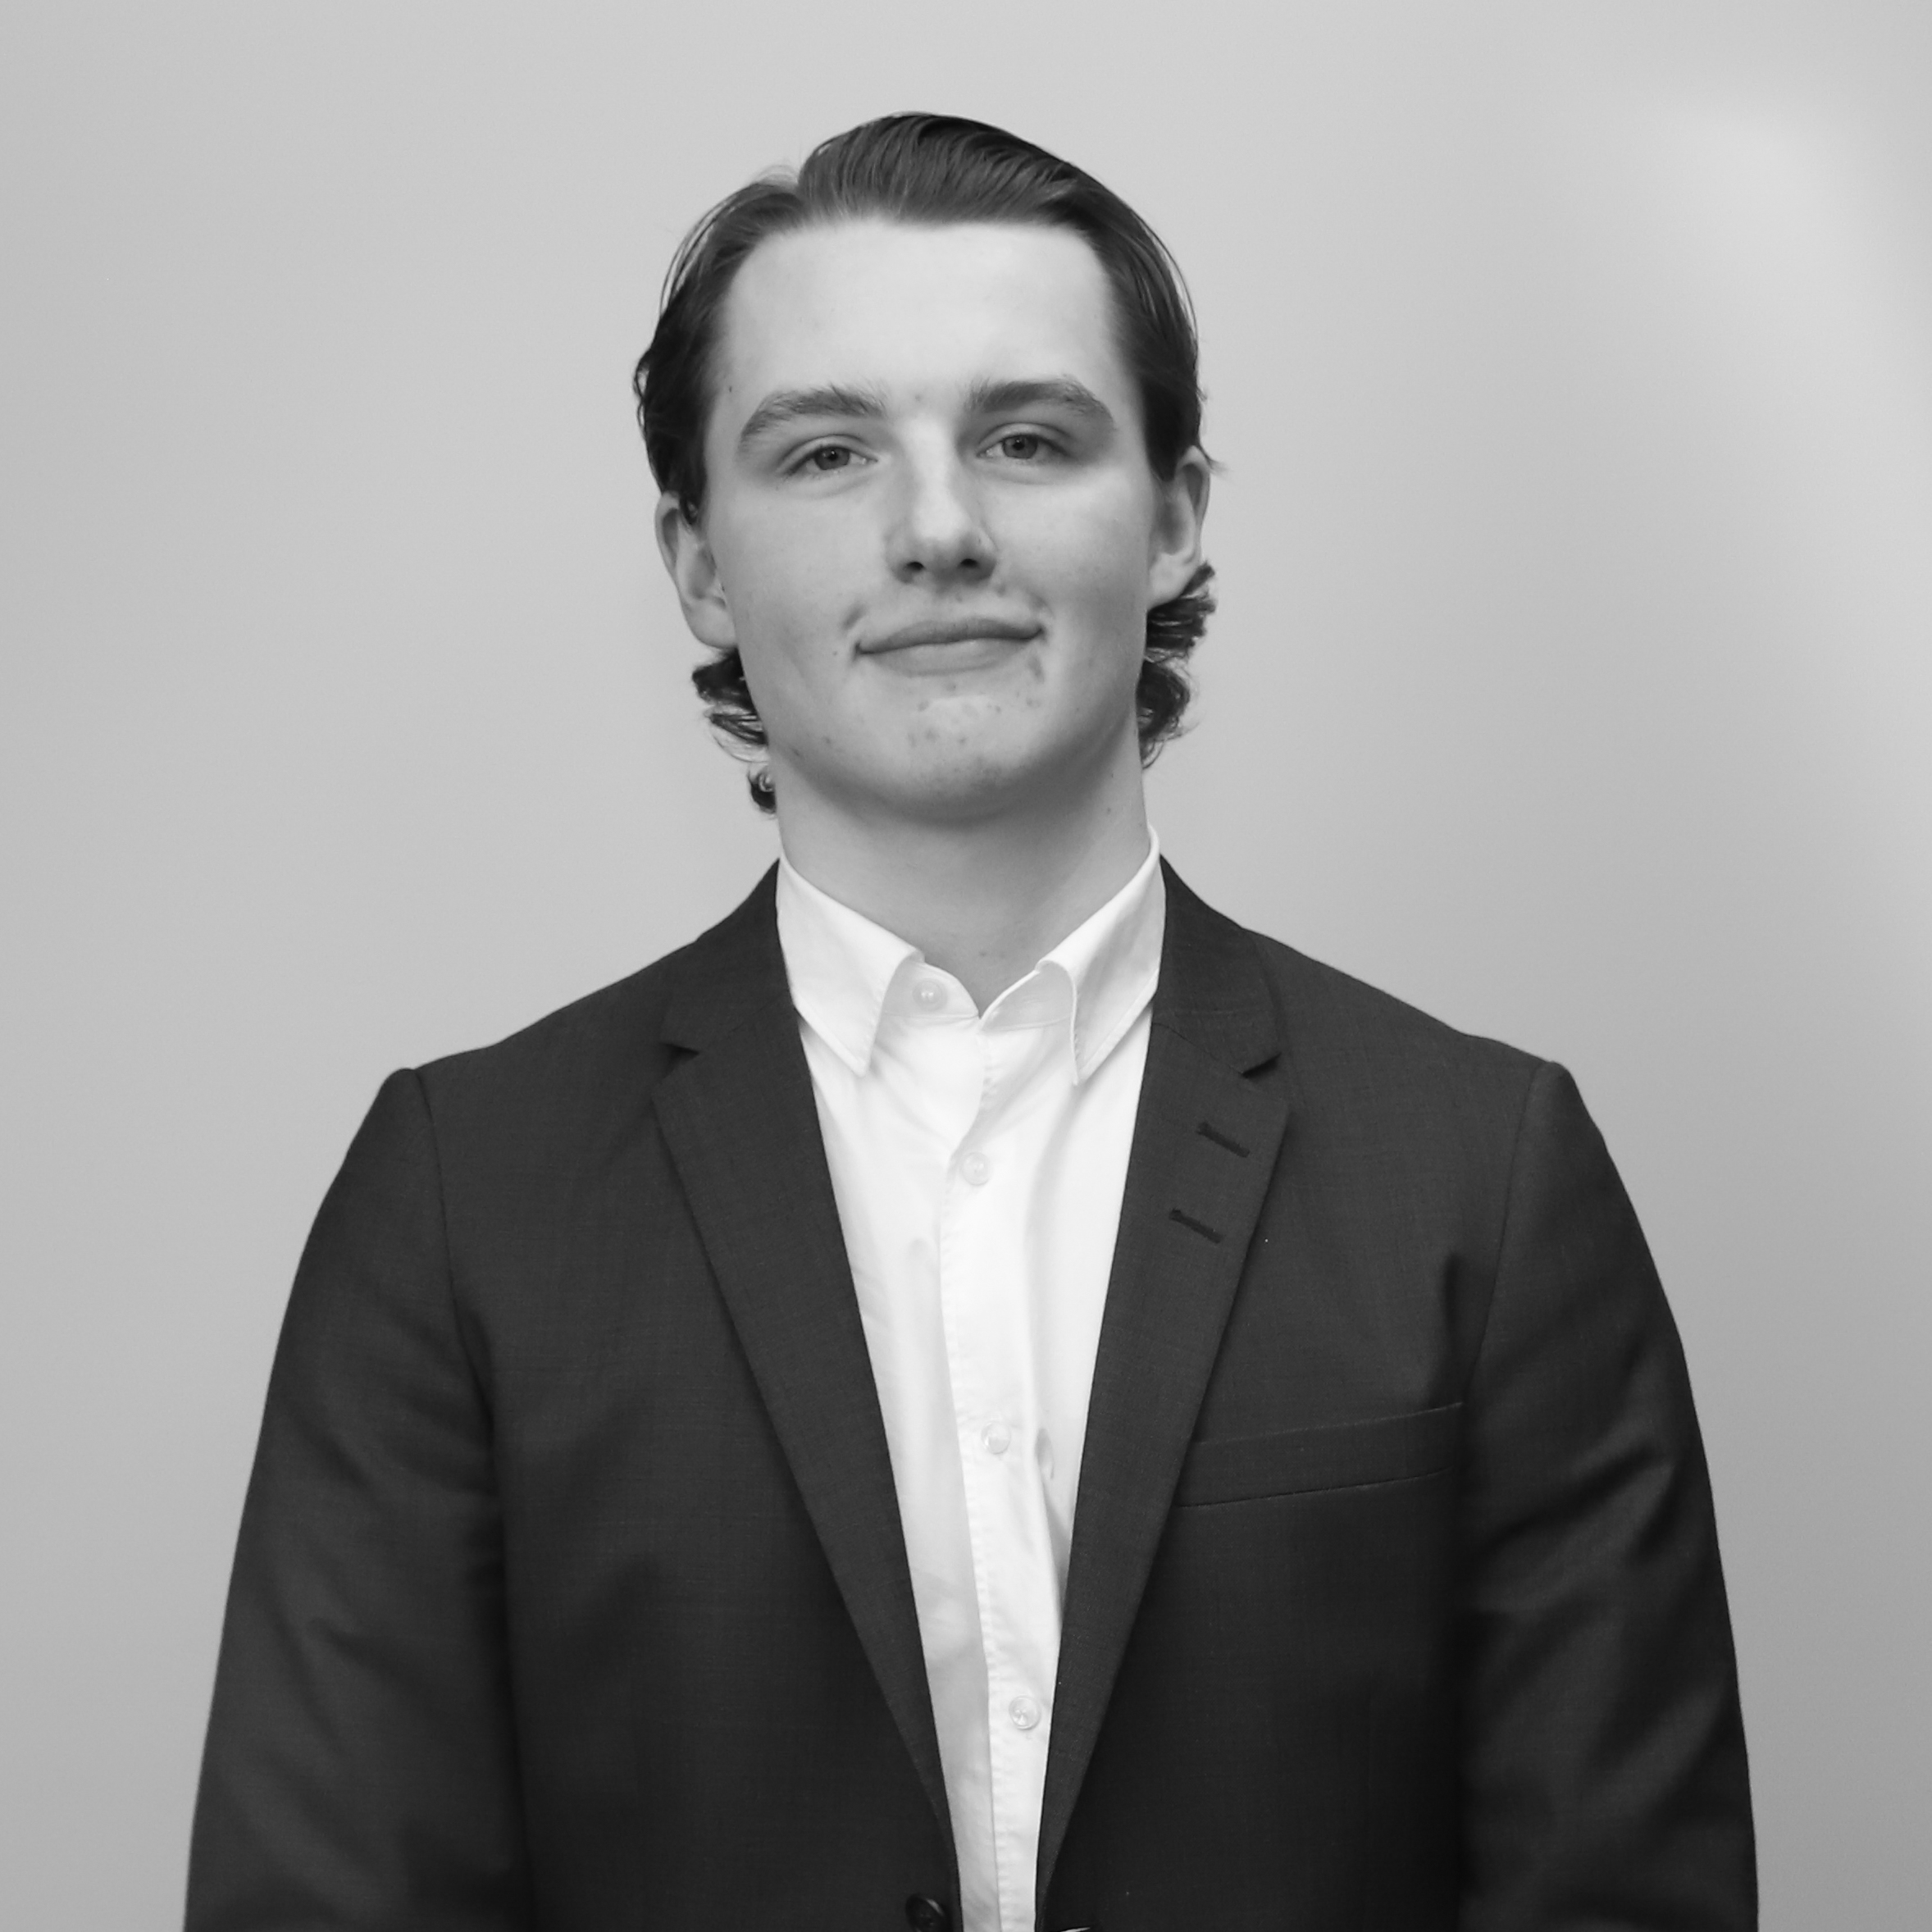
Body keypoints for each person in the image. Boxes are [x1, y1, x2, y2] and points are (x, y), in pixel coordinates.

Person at [185, 114, 1755, 1931]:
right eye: (826, 452)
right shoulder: (467, 1199)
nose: (937, 530)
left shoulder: (1482, 1174)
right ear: (699, 564)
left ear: (1172, 518)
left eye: (1026, 439)